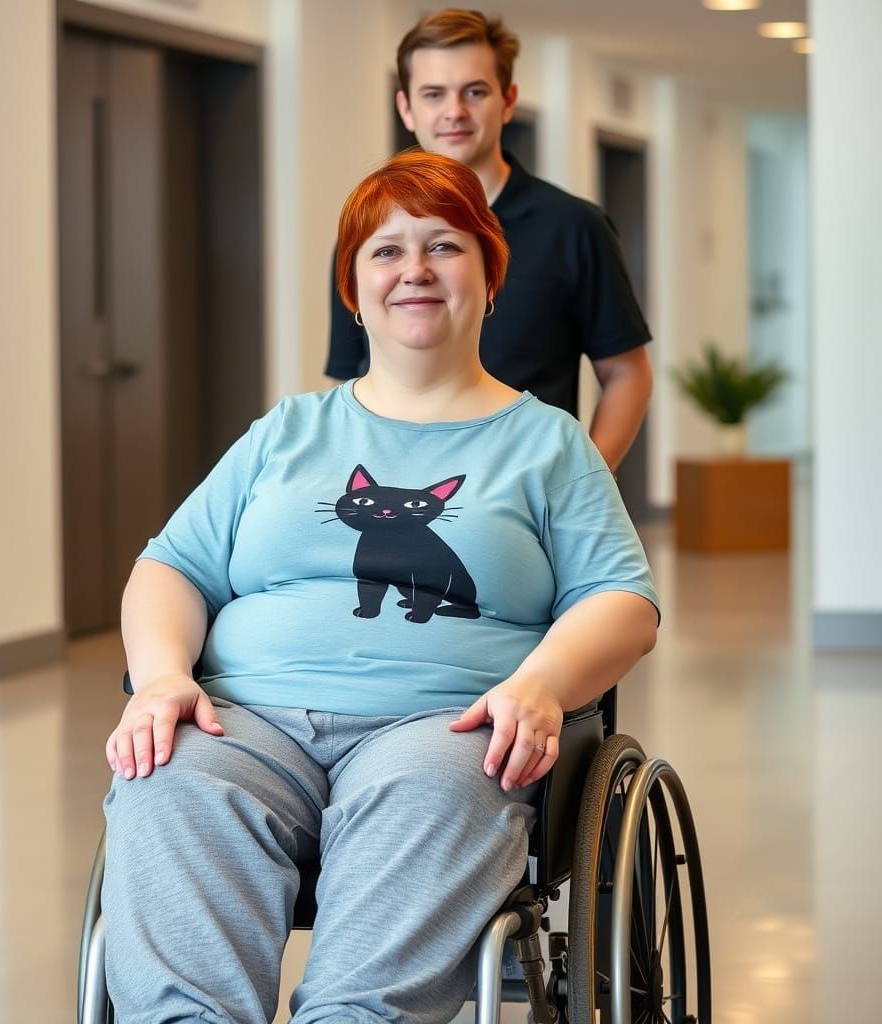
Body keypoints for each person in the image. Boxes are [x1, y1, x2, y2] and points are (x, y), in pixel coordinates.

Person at [103, 151, 659, 1024]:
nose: (415, 271)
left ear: (489, 273)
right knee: (167, 777)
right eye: (386, 251)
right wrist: (164, 674)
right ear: (353, 288)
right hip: (243, 718)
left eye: (443, 246)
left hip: (442, 727)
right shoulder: (286, 430)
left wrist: (541, 685)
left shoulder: (547, 444)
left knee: (434, 790)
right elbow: (170, 567)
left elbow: (621, 601)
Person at [325, 8, 653, 472]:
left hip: (523, 491)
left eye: (474, 92)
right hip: (396, 494)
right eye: (433, 94)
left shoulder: (574, 226)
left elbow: (627, 373)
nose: (454, 112)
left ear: (508, 100)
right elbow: (345, 374)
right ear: (406, 108)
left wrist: (581, 484)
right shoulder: (370, 234)